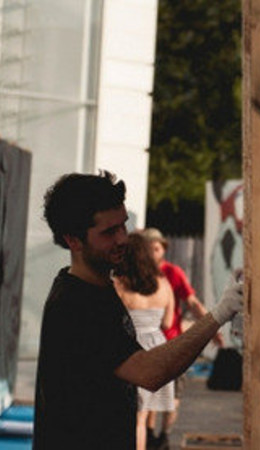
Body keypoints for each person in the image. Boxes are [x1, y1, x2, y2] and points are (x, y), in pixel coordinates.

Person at [33, 172, 243, 450]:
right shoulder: (76, 304)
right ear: (74, 240)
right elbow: (149, 372)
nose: (122, 239)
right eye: (109, 232)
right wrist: (220, 313)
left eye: (123, 226)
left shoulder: (99, 287)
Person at [141, 227, 223, 447]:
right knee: (148, 396)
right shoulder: (136, 275)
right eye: (148, 249)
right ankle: (149, 434)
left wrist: (212, 328)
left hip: (172, 342)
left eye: (156, 249)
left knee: (172, 398)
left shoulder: (172, 273)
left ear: (163, 249)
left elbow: (193, 302)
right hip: (147, 346)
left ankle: (164, 435)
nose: (153, 254)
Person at [113, 233, 176, 450]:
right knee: (143, 419)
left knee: (126, 419)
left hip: (129, 350)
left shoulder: (117, 285)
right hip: (157, 350)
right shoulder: (163, 284)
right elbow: (168, 323)